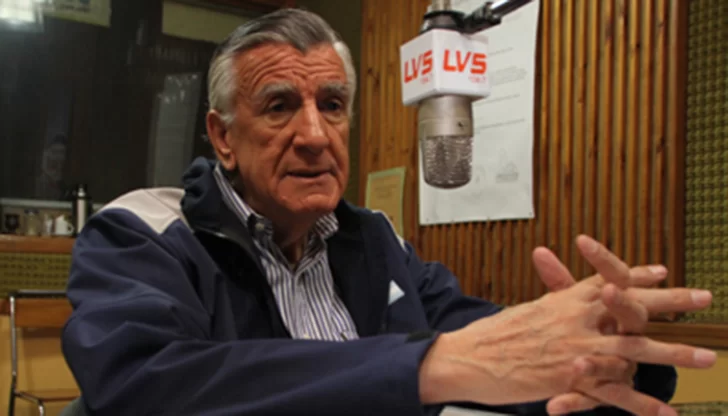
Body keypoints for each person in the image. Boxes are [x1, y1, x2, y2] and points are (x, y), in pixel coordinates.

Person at [61, 8, 716, 416]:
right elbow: (141, 387)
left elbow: (498, 356)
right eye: (280, 106)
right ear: (223, 136)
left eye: (333, 105)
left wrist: (611, 350)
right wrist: (426, 368)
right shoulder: (142, 232)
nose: (315, 135)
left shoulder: (378, 242)